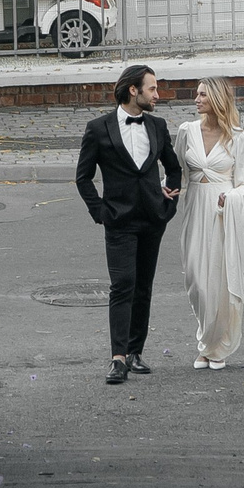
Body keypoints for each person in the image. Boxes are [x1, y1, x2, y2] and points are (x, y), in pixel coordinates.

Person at [73, 63, 181, 385]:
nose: (157, 95)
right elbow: (83, 178)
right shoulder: (98, 128)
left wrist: (168, 202)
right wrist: (101, 212)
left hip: (152, 219)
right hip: (118, 222)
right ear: (133, 90)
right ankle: (117, 358)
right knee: (122, 286)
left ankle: (135, 352)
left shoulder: (158, 127)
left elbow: (173, 169)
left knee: (143, 288)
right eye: (152, 89)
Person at [177, 75, 244, 368]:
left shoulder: (239, 137)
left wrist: (232, 197)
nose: (196, 100)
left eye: (203, 96)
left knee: (220, 282)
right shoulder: (186, 131)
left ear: (218, 101)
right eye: (197, 95)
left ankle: (211, 348)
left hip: (224, 213)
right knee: (197, 280)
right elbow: (177, 173)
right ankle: (208, 339)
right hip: (195, 208)